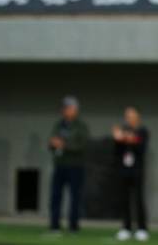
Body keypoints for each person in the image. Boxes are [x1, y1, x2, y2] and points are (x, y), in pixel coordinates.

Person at [48, 95, 90, 232]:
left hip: (75, 166)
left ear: (75, 110)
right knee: (55, 196)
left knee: (75, 197)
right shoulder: (58, 125)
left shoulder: (81, 126)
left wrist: (64, 145)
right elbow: (51, 141)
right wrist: (53, 143)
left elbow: (83, 145)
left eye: (70, 108)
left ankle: (73, 225)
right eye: (65, 108)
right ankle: (54, 225)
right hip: (60, 165)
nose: (66, 110)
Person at [113, 107, 150, 242]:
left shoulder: (143, 131)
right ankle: (126, 228)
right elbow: (117, 151)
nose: (128, 119)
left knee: (138, 199)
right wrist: (118, 139)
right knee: (125, 200)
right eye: (126, 116)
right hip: (124, 170)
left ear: (137, 117)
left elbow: (141, 148)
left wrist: (128, 139)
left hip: (137, 170)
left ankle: (142, 229)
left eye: (131, 116)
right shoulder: (123, 131)